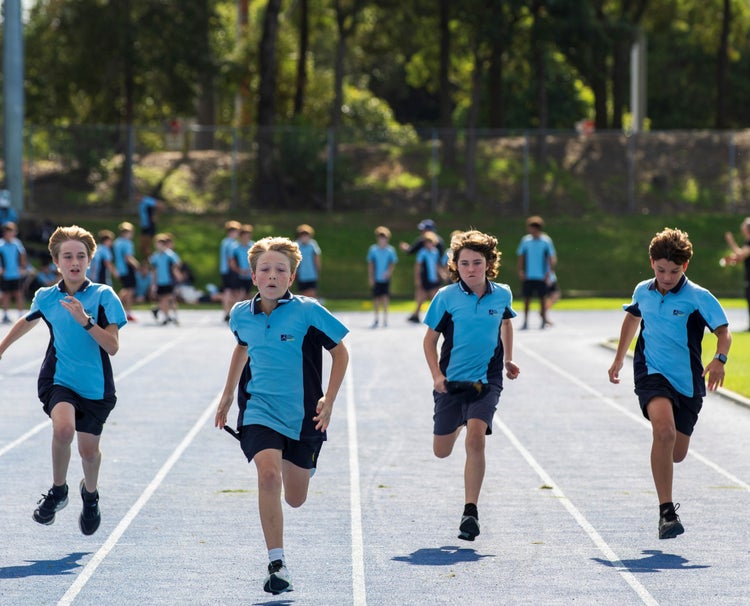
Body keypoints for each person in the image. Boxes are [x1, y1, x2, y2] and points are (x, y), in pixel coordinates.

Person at [214, 236, 349, 596]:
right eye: (265, 270)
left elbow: (341, 353)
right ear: (253, 276)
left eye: (280, 270)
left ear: (291, 277)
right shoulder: (241, 314)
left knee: (295, 497)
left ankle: (307, 463)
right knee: (268, 477)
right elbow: (241, 348)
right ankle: (277, 563)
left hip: (305, 416)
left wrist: (330, 399)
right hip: (259, 410)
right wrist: (227, 395)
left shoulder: (308, 311)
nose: (272, 275)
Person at [0, 225, 127, 535]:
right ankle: (59, 490)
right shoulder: (46, 296)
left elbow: (111, 346)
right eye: (67, 256)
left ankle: (90, 494)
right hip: (59, 379)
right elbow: (27, 321)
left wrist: (85, 321)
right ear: (56, 262)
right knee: (63, 428)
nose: (74, 262)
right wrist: (1, 348)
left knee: (88, 453)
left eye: (81, 256)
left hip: (96, 387)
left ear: (90, 260)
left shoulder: (103, 295)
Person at [608, 227, 731, 540]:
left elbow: (723, 331)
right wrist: (620, 357)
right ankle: (666, 513)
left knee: (676, 452)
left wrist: (720, 359)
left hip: (688, 381)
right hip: (651, 372)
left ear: (685, 267)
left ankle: (664, 466)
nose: (666, 277)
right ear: (652, 263)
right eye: (661, 270)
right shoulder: (642, 291)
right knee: (662, 432)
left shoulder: (698, 297)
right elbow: (632, 319)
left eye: (674, 271)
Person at [422, 230, 520, 542]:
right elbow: (429, 340)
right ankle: (460, 421)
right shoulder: (446, 297)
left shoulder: (502, 294)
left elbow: (506, 323)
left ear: (489, 264)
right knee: (441, 451)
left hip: (486, 381)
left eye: (477, 263)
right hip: (451, 382)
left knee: (476, 439)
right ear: (456, 266)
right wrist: (437, 376)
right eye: (464, 263)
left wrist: (508, 360)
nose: (471, 269)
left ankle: (470, 512)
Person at [401, 219, 446, 322]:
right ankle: (416, 314)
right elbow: (413, 253)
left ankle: (438, 316)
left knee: (435, 296)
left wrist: (441, 273)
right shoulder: (422, 241)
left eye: (424, 229)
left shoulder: (438, 244)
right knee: (421, 295)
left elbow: (439, 261)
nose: (422, 232)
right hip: (425, 275)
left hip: (434, 275)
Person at [516, 215, 556, 330]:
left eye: (532, 228)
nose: (530, 230)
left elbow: (551, 258)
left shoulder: (546, 241)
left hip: (542, 276)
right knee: (527, 299)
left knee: (542, 299)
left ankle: (543, 320)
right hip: (529, 275)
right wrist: (520, 271)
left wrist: (549, 273)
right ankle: (525, 321)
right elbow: (521, 257)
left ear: (537, 228)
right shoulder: (526, 241)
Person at [366, 226, 398, 328]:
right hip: (376, 278)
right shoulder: (373, 250)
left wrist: (388, 272)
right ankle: (376, 319)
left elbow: (392, 263)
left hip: (385, 279)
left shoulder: (390, 250)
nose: (382, 239)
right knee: (376, 299)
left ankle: (385, 319)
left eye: (384, 237)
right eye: (380, 237)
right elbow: (371, 264)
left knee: (385, 298)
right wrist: (371, 277)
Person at [408, 230, 443, 323]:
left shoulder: (435, 252)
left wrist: (441, 274)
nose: (428, 244)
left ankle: (436, 316)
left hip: (434, 278)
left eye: (430, 242)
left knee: (434, 298)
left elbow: (437, 265)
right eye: (427, 242)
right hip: (425, 278)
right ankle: (417, 315)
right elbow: (418, 266)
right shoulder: (422, 252)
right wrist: (417, 279)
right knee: (421, 297)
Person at [723, 217, 750, 331]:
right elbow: (741, 257)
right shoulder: (747, 242)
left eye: (743, 228)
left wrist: (730, 241)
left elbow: (741, 254)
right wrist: (732, 259)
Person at [149, 233, 182, 325]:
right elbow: (154, 271)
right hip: (160, 281)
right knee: (163, 300)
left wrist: (177, 274)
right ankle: (166, 316)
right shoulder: (155, 256)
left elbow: (176, 264)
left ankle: (175, 316)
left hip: (169, 280)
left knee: (171, 298)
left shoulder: (170, 255)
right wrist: (153, 283)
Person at [0, 222, 28, 323]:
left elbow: (22, 255)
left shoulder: (17, 243)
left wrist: (23, 267)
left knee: (18, 293)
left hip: (16, 273)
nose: (11, 234)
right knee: (6, 294)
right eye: (9, 232)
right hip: (5, 274)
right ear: (5, 233)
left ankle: (21, 314)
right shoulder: (1, 245)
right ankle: (6, 314)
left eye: (13, 232)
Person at [113, 221, 140, 322]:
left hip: (120, 269)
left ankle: (114, 305)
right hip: (127, 268)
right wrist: (137, 265)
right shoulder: (127, 243)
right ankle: (128, 312)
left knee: (125, 289)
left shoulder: (117, 242)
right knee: (130, 291)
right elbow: (128, 257)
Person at [219, 220, 242, 322]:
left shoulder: (224, 241)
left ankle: (227, 312)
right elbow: (230, 259)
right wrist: (237, 270)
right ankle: (228, 312)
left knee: (227, 291)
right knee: (230, 291)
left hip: (224, 270)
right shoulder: (231, 243)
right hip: (230, 271)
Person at [294, 224, 322, 298]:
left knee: (312, 293)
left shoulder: (312, 245)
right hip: (301, 275)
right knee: (303, 294)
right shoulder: (296, 245)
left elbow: (316, 257)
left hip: (311, 274)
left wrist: (318, 267)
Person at [229, 224, 255, 300]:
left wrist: (251, 269)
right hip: (238, 274)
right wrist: (239, 270)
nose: (246, 238)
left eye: (248, 236)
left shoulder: (253, 246)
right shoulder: (235, 247)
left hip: (249, 274)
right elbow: (232, 261)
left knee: (247, 294)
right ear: (241, 236)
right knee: (238, 294)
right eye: (245, 236)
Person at [137, 191, 162, 259]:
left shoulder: (147, 200)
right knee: (142, 247)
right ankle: (148, 261)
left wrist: (156, 215)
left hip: (150, 226)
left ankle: (154, 261)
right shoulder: (140, 203)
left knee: (146, 247)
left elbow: (159, 205)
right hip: (144, 226)